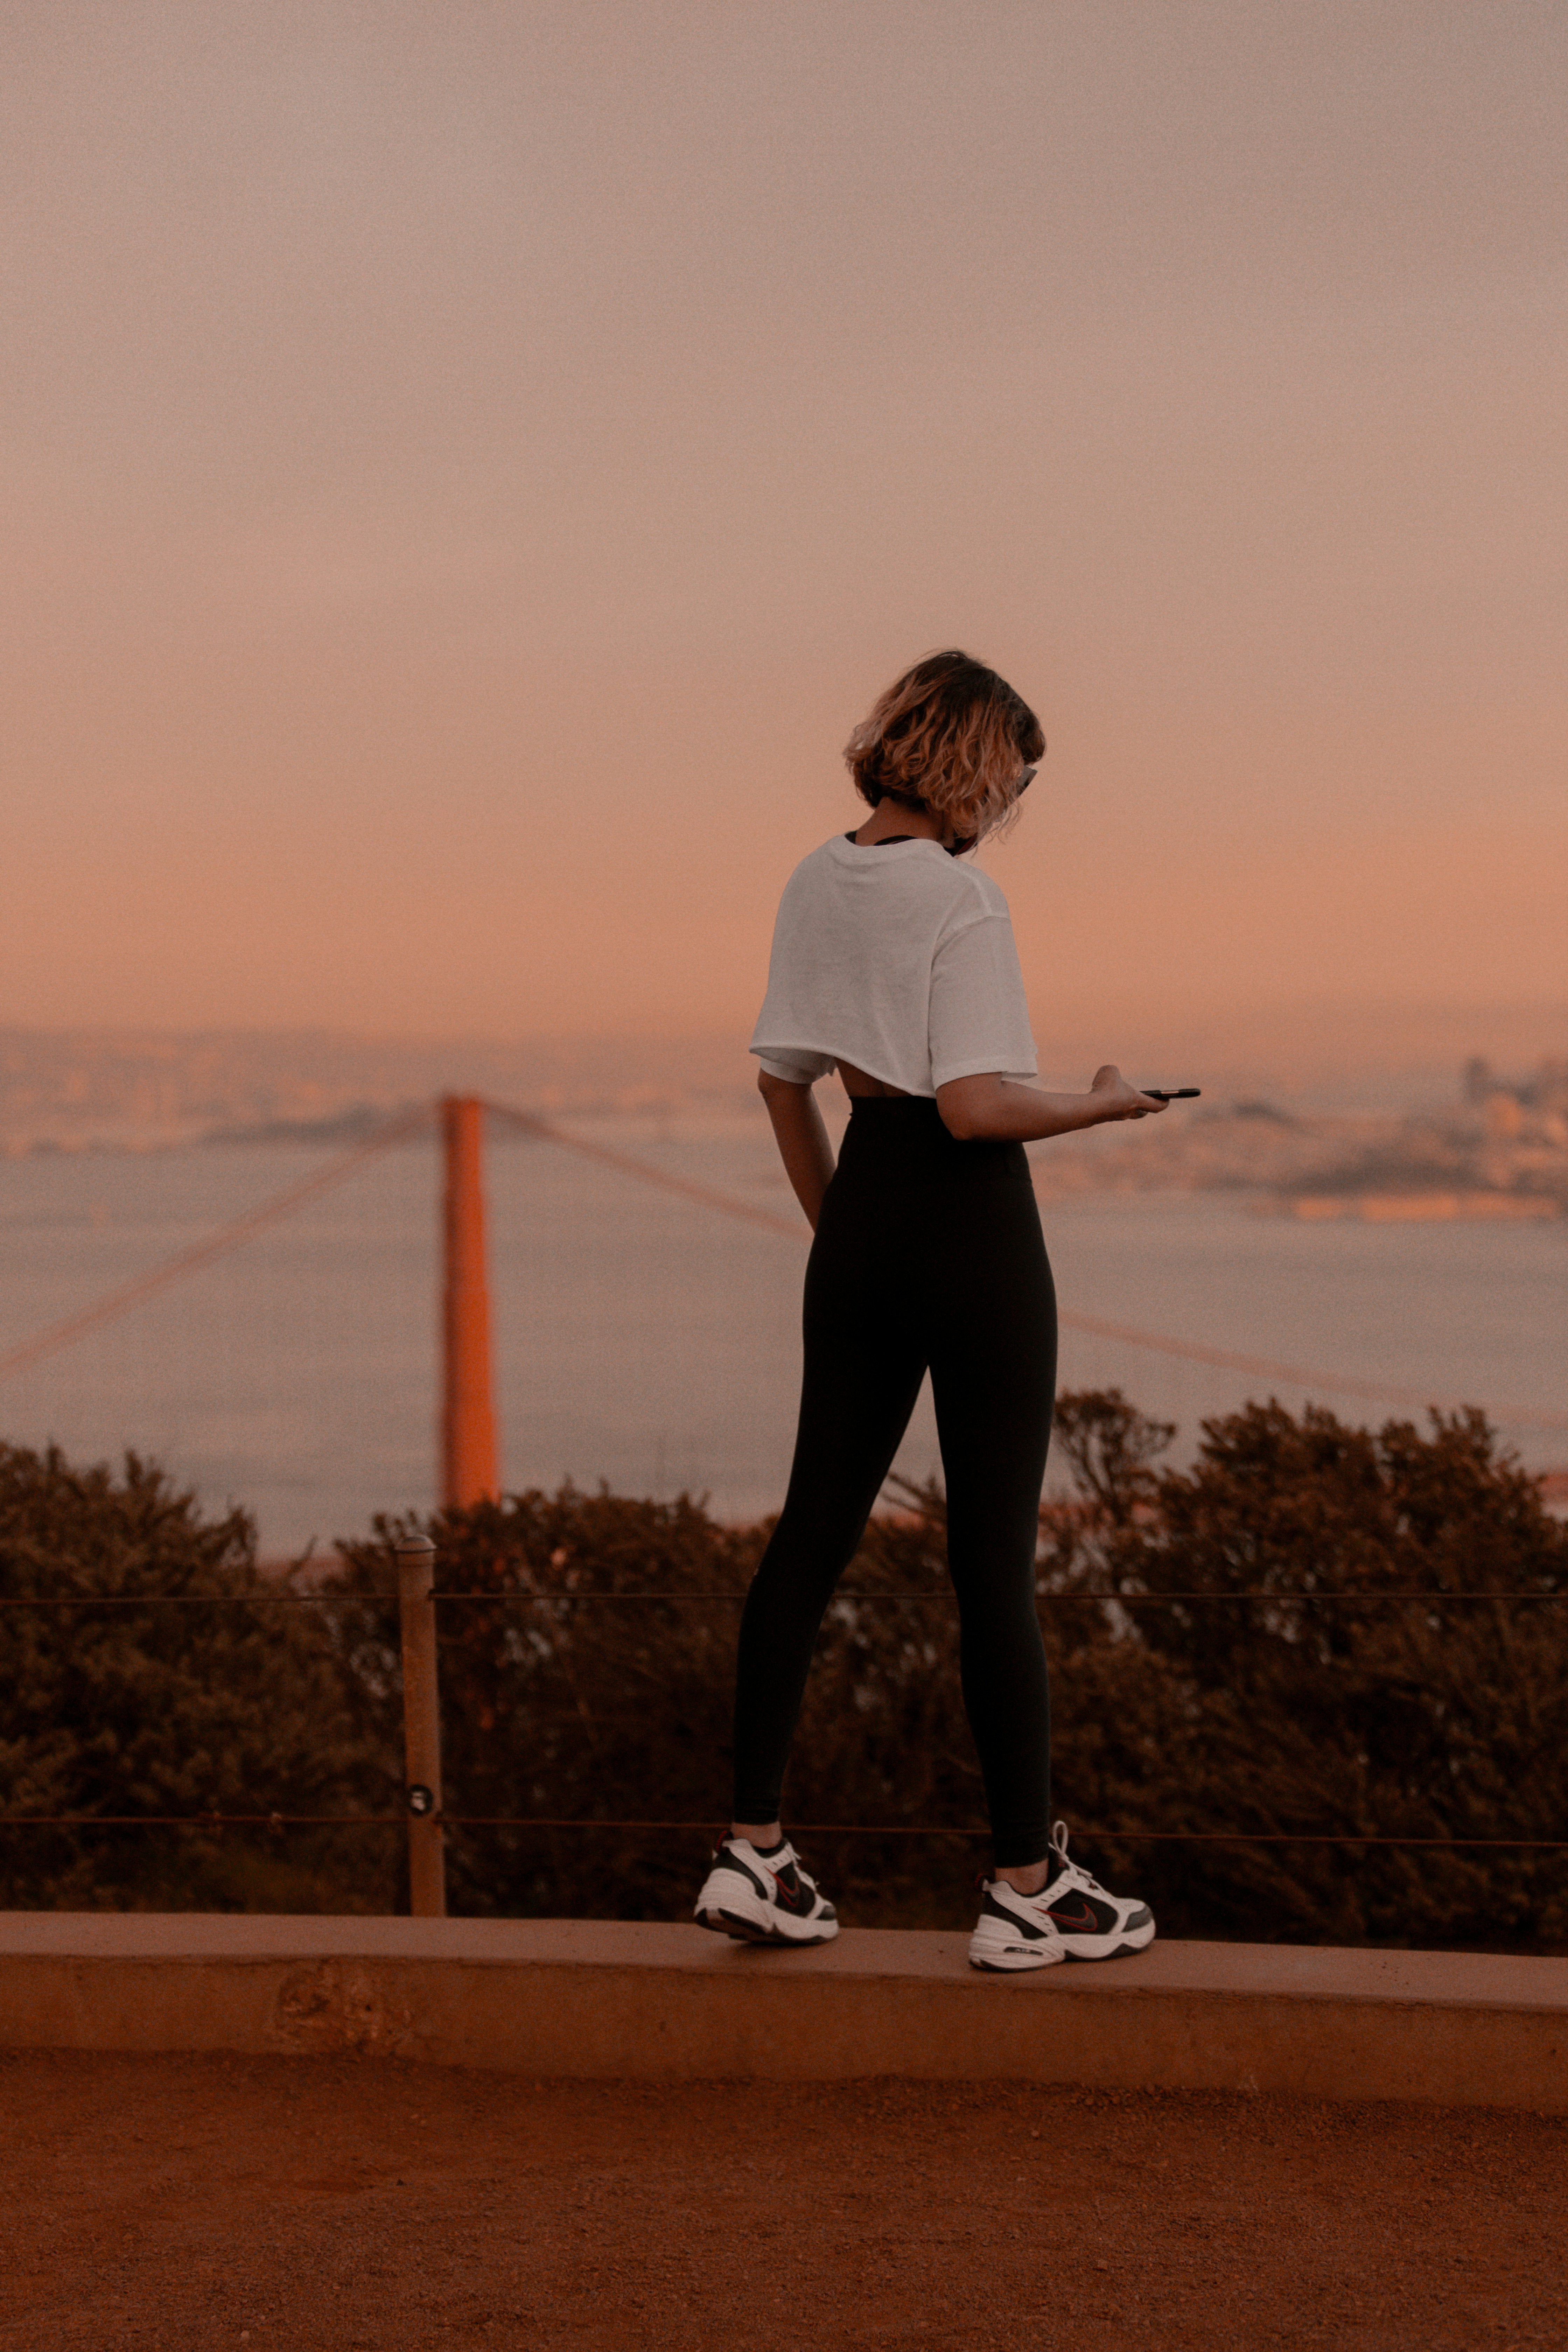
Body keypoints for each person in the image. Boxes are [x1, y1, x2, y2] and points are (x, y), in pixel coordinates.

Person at [694, 651, 1167, 1972]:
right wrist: (1102, 1104)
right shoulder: (963, 899)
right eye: (1013, 781)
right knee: (991, 1564)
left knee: (809, 1538)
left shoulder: (813, 877)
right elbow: (974, 1107)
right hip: (970, 1228)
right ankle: (1027, 1886)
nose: (1008, 809)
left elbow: (783, 1084)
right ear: (976, 766)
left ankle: (752, 1852)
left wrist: (846, 1237)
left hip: (861, 1217)